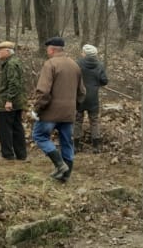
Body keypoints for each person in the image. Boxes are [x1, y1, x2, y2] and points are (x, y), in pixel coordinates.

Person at [32, 37, 86, 182]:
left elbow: (43, 91)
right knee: (67, 142)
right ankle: (66, 176)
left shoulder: (50, 64)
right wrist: (75, 107)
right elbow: (82, 92)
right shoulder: (75, 65)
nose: (47, 51)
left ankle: (59, 164)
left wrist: (37, 109)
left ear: (52, 49)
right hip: (69, 113)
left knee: (39, 136)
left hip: (50, 112)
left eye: (47, 49)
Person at [74, 44, 108, 153]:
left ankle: (76, 146)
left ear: (86, 53)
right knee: (94, 121)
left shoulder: (78, 63)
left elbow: (73, 78)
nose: (81, 53)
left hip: (80, 96)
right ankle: (96, 147)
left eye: (83, 52)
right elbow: (104, 81)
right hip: (93, 97)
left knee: (78, 120)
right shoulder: (100, 65)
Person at [0, 41, 27, 160]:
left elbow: (13, 83)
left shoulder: (11, 64)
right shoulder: (15, 62)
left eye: (0, 50)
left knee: (4, 128)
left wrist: (9, 100)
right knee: (16, 127)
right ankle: (21, 154)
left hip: (8, 101)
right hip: (17, 101)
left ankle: (8, 154)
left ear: (8, 51)